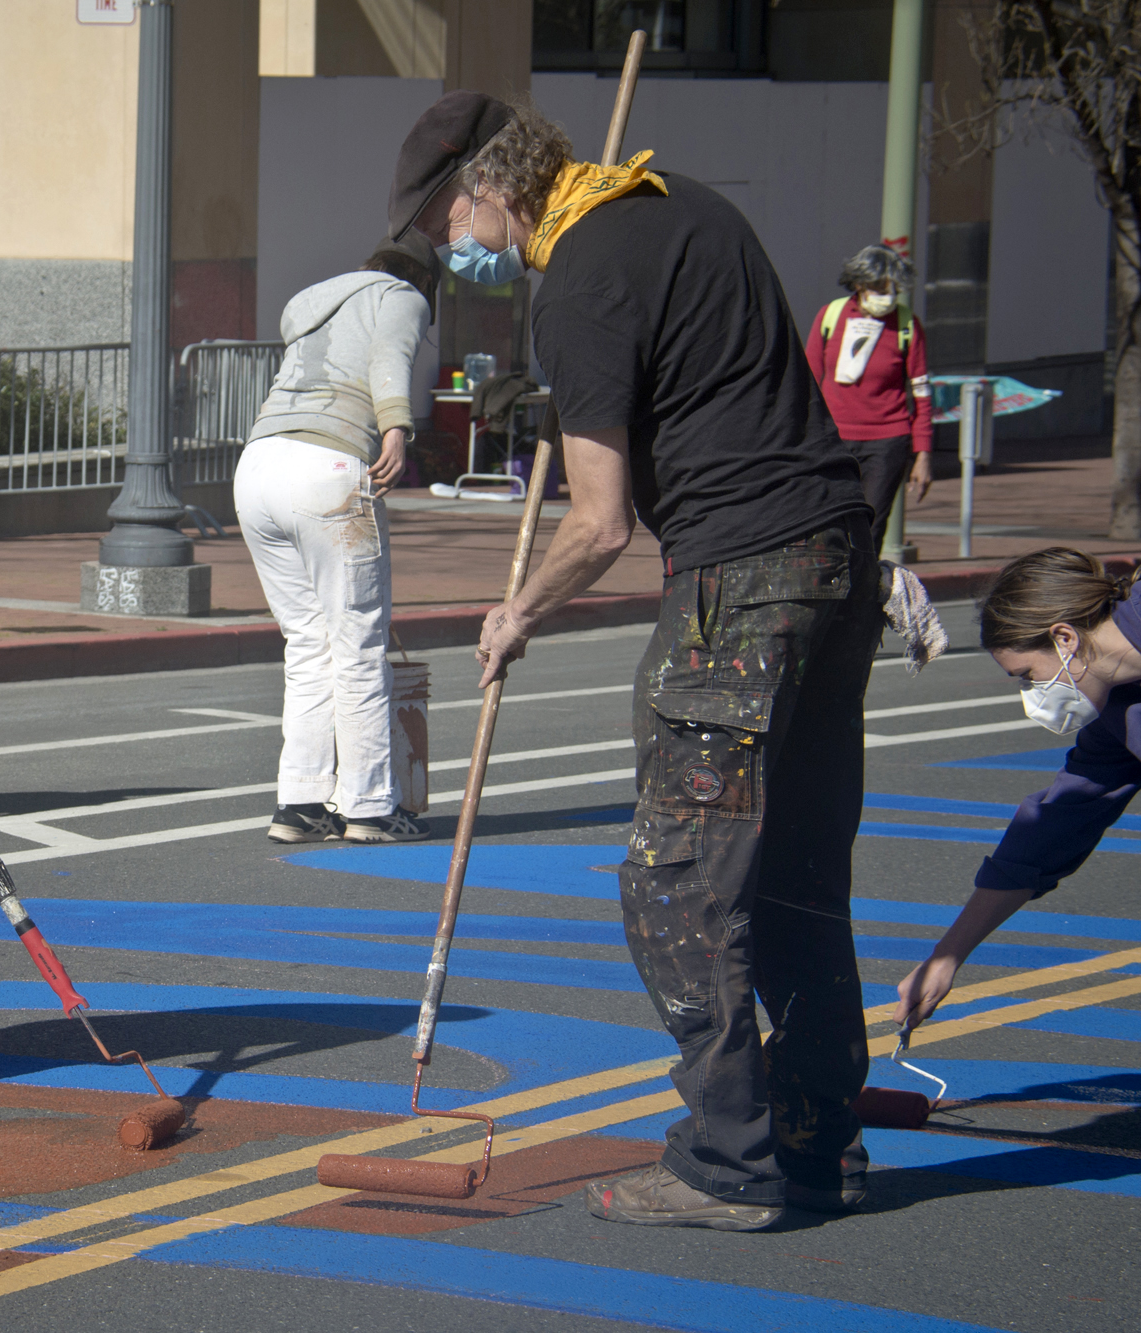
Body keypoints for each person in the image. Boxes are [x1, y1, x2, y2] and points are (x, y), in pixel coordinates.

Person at [391, 92, 881, 1228]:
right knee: (799, 872)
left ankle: (728, 1158)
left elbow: (598, 521)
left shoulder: (577, 276)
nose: (450, 248)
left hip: (737, 580)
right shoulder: (681, 206)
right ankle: (815, 1137)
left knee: (681, 880)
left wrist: (515, 612)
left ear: (488, 191)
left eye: (443, 221)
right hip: (833, 555)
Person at [237, 236, 437, 845]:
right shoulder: (400, 295)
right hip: (327, 468)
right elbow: (391, 355)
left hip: (258, 466)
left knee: (307, 643)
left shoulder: (314, 303)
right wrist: (397, 428)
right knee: (356, 643)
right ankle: (372, 808)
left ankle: (300, 805)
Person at [894, 549, 1141, 1028]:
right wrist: (947, 955)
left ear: (1065, 638)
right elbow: (1050, 828)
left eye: (1027, 676)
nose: (1032, 696)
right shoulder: (1115, 714)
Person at [805, 244, 935, 555]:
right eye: (879, 287)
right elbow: (807, 380)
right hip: (834, 439)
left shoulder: (906, 325)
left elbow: (922, 394)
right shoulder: (831, 316)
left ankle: (860, 596)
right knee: (828, 523)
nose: (887, 295)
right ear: (860, 284)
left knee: (870, 527)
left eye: (894, 288)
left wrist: (923, 454)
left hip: (887, 442)